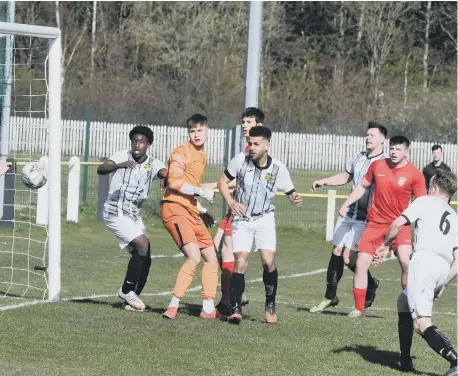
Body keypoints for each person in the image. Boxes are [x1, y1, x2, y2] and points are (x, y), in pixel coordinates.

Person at [374, 169, 457, 375]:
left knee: (421, 323)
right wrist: (444, 282)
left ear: (435, 188)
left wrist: (385, 245)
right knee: (403, 302)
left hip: (424, 262)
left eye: (430, 185)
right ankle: (404, 359)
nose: (428, 188)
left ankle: (455, 362)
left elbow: (396, 224)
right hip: (442, 268)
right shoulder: (454, 216)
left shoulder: (425, 201)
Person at [217, 126, 303, 324]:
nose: (252, 147)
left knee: (268, 261)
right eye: (250, 143)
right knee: (241, 260)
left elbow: (291, 192)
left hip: (264, 219)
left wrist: (295, 198)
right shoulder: (240, 160)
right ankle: (236, 308)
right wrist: (230, 202)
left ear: (267, 145)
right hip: (243, 219)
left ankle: (270, 303)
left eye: (256, 144)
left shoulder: (278, 168)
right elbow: (222, 182)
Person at [339, 135, 426, 317]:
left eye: (398, 149)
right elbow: (362, 187)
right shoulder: (378, 166)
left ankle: (409, 301)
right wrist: (346, 203)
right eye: (392, 148)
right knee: (361, 263)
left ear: (406, 152)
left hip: (400, 225)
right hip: (375, 224)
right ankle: (359, 308)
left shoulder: (415, 174)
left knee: (405, 261)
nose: (394, 152)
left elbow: (421, 204)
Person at [309, 121, 387, 313]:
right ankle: (330, 297)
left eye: (372, 135)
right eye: (367, 134)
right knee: (336, 251)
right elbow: (345, 177)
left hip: (366, 217)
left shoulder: (385, 162)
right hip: (349, 212)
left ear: (383, 139)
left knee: (348, 257)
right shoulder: (359, 156)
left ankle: (370, 284)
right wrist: (323, 181)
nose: (368, 138)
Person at [98, 126, 167, 311]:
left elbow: (164, 172)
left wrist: (167, 177)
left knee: (146, 255)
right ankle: (127, 290)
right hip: (114, 210)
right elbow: (101, 168)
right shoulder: (122, 155)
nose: (137, 145)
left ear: (148, 145)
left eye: (142, 142)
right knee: (142, 245)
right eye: (135, 141)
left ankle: (131, 299)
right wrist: (118, 165)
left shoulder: (153, 163)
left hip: (132, 214)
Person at [161, 114, 220, 320]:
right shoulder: (181, 151)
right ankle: (173, 306)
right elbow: (174, 183)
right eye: (192, 131)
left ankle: (208, 308)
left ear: (207, 131)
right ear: (188, 133)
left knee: (212, 257)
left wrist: (201, 209)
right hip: (175, 209)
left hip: (190, 210)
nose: (196, 134)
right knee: (194, 257)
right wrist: (201, 192)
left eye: (200, 130)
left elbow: (190, 186)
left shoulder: (202, 155)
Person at [215, 107, 264, 317]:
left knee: (227, 251)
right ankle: (235, 293)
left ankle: (229, 299)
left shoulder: (257, 150)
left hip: (243, 212)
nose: (244, 125)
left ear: (258, 126)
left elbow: (242, 179)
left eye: (249, 122)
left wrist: (207, 186)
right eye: (243, 122)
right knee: (216, 248)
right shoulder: (246, 150)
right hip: (234, 208)